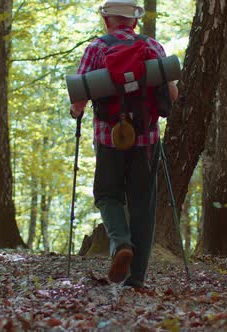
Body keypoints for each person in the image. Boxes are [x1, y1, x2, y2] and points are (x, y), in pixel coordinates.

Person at [70, 0, 178, 288]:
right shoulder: (153, 47)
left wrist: (76, 112)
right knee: (143, 204)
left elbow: (78, 98)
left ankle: (120, 243)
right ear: (134, 22)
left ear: (108, 21)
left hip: (109, 139)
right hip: (147, 140)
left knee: (107, 195)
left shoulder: (96, 48)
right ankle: (137, 279)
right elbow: (172, 94)